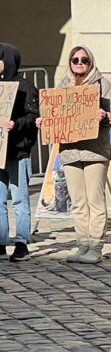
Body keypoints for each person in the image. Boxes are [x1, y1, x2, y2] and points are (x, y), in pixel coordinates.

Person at [37, 46, 111, 264]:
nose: (79, 63)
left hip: (94, 150)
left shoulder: (102, 85)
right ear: (70, 62)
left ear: (91, 62)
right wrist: (45, 121)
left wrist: (103, 115)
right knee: (78, 201)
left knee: (95, 199)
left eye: (84, 60)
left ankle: (96, 246)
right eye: (75, 59)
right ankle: (82, 243)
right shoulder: (63, 85)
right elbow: (54, 113)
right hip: (70, 151)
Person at [0, 44, 39, 262]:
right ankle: (0, 241)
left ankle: (22, 242)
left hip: (18, 151)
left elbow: (33, 117)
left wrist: (15, 124)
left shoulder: (25, 87)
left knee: (19, 199)